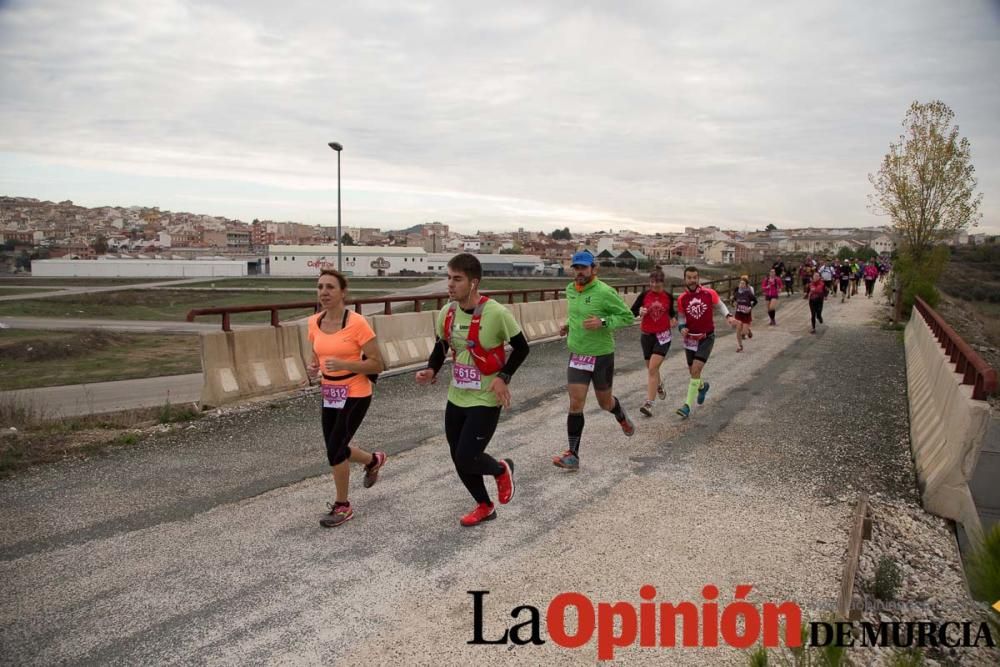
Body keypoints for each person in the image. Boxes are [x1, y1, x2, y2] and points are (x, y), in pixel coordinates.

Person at [415, 253, 530, 527]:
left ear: (474, 282)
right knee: (458, 457)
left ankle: (501, 469)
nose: (450, 285)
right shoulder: (448, 312)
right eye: (449, 278)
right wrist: (432, 370)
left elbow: (523, 348)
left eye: (457, 279)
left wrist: (504, 376)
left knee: (468, 456)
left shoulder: (497, 313)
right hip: (457, 396)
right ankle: (485, 505)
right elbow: (441, 345)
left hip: (485, 397)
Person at [306, 269, 387, 528]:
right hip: (330, 392)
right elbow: (317, 355)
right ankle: (373, 460)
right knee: (335, 445)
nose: (324, 292)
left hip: (356, 392)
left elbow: (378, 364)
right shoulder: (314, 323)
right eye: (320, 287)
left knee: (335, 449)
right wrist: (314, 367)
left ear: (343, 292)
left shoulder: (357, 323)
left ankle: (343, 506)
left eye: (330, 287)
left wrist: (344, 363)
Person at [552, 251, 637, 471]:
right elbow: (578, 315)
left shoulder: (604, 292)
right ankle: (573, 455)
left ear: (593, 269)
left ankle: (619, 413)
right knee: (576, 403)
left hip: (601, 355)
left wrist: (603, 321)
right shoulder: (571, 289)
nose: (579, 272)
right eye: (576, 267)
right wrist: (568, 326)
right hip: (578, 354)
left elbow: (627, 317)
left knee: (604, 403)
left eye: (583, 267)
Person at [674, 266, 737, 418]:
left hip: (706, 337)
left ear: (698, 278)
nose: (692, 280)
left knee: (695, 370)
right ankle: (702, 387)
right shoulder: (682, 298)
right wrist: (681, 327)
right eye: (689, 277)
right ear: (685, 279)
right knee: (692, 372)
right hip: (690, 339)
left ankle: (687, 406)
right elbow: (681, 316)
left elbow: (720, 304)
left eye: (695, 277)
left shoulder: (709, 293)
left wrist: (728, 316)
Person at [630, 267, 677, 418]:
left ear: (662, 283)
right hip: (646, 336)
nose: (654, 285)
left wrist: (674, 319)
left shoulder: (668, 297)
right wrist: (640, 312)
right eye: (652, 282)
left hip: (663, 336)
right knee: (651, 369)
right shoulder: (644, 295)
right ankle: (659, 384)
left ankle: (649, 404)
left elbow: (672, 313)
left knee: (652, 369)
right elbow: (632, 311)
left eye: (657, 282)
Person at [732, 275, 757, 352]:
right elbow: (733, 301)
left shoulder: (748, 293)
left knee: (744, 332)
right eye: (740, 283)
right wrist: (733, 304)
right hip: (739, 314)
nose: (741, 285)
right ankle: (740, 346)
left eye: (743, 284)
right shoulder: (737, 293)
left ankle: (748, 331)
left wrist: (750, 308)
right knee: (738, 331)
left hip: (746, 315)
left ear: (746, 285)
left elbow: (755, 301)